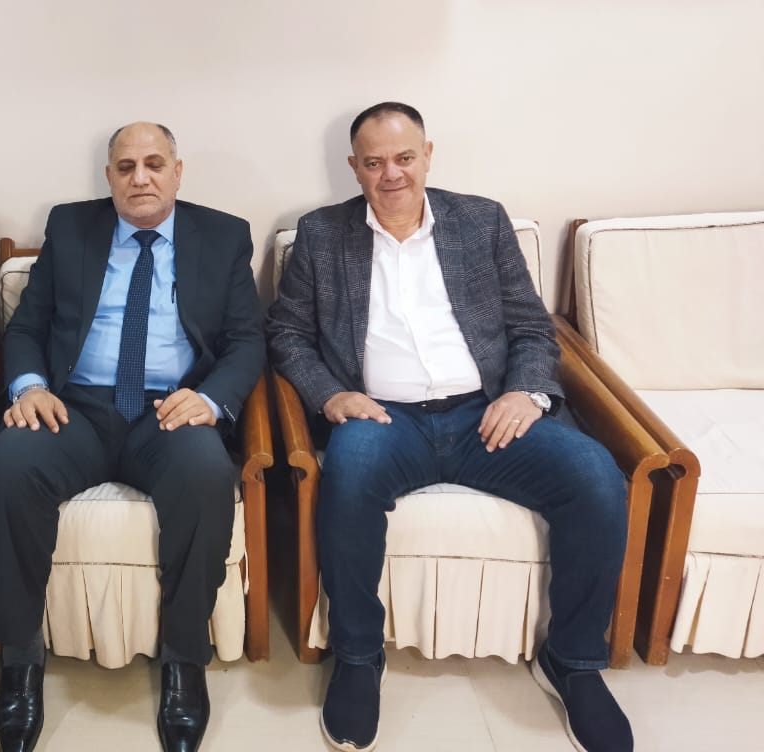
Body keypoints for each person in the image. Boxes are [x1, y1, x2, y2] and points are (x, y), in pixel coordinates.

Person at [266, 103, 632, 752]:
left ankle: (574, 661)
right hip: (384, 417)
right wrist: (331, 396)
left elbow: (532, 326)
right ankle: (358, 657)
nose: (392, 174)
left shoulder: (480, 221)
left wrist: (525, 391)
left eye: (404, 158)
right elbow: (287, 334)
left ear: (428, 155)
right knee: (347, 476)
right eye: (374, 162)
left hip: (483, 412)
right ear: (354, 167)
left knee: (595, 475)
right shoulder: (322, 235)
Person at [0, 122, 265, 752]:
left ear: (177, 171)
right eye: (126, 167)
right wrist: (29, 387)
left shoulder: (223, 235)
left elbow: (247, 340)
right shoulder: (71, 227)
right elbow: (26, 327)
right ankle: (20, 659)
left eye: (154, 164)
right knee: (10, 465)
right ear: (108, 176)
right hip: (74, 407)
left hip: (169, 409)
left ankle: (184, 661)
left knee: (206, 474)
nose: (141, 178)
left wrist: (210, 399)